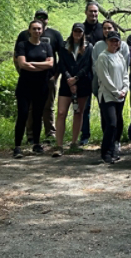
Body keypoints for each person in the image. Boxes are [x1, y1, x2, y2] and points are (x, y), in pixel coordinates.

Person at [13, 9, 63, 144]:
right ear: (30, 28)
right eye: (38, 17)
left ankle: (48, 135)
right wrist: (23, 69)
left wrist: (56, 75)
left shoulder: (53, 36)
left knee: (47, 108)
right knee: (27, 111)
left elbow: (57, 59)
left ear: (47, 20)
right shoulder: (23, 38)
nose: (41, 19)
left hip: (48, 80)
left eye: (44, 18)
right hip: (26, 81)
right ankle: (28, 137)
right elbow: (18, 60)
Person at [13, 20, 54, 158]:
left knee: (38, 115)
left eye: (39, 29)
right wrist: (40, 65)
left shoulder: (46, 46)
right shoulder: (22, 45)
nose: (37, 31)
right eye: (34, 29)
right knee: (23, 115)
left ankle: (36, 144)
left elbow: (51, 64)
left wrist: (33, 64)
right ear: (29, 30)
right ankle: (17, 146)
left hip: (41, 86)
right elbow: (22, 64)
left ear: (42, 31)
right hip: (25, 86)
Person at [92, 20, 130, 161]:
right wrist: (116, 91)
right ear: (107, 41)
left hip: (120, 95)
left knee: (118, 123)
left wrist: (125, 89)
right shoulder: (103, 57)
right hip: (107, 96)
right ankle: (105, 152)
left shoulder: (120, 56)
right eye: (112, 41)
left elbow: (125, 74)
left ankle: (113, 151)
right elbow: (104, 78)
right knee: (111, 123)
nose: (114, 43)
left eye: (116, 41)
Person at [53, 23, 93, 157]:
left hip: (82, 84)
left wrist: (76, 78)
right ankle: (59, 145)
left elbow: (88, 65)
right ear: (72, 31)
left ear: (83, 33)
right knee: (61, 112)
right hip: (66, 83)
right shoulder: (64, 46)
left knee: (78, 112)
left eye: (80, 31)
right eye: (76, 31)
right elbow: (62, 64)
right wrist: (69, 79)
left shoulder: (89, 47)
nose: (77, 33)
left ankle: (74, 143)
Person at [79, 1, 104, 145]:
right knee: (85, 107)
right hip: (85, 74)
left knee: (104, 106)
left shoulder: (103, 29)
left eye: (95, 11)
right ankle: (84, 136)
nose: (93, 14)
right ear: (86, 12)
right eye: (91, 11)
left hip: (101, 74)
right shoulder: (81, 30)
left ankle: (106, 135)